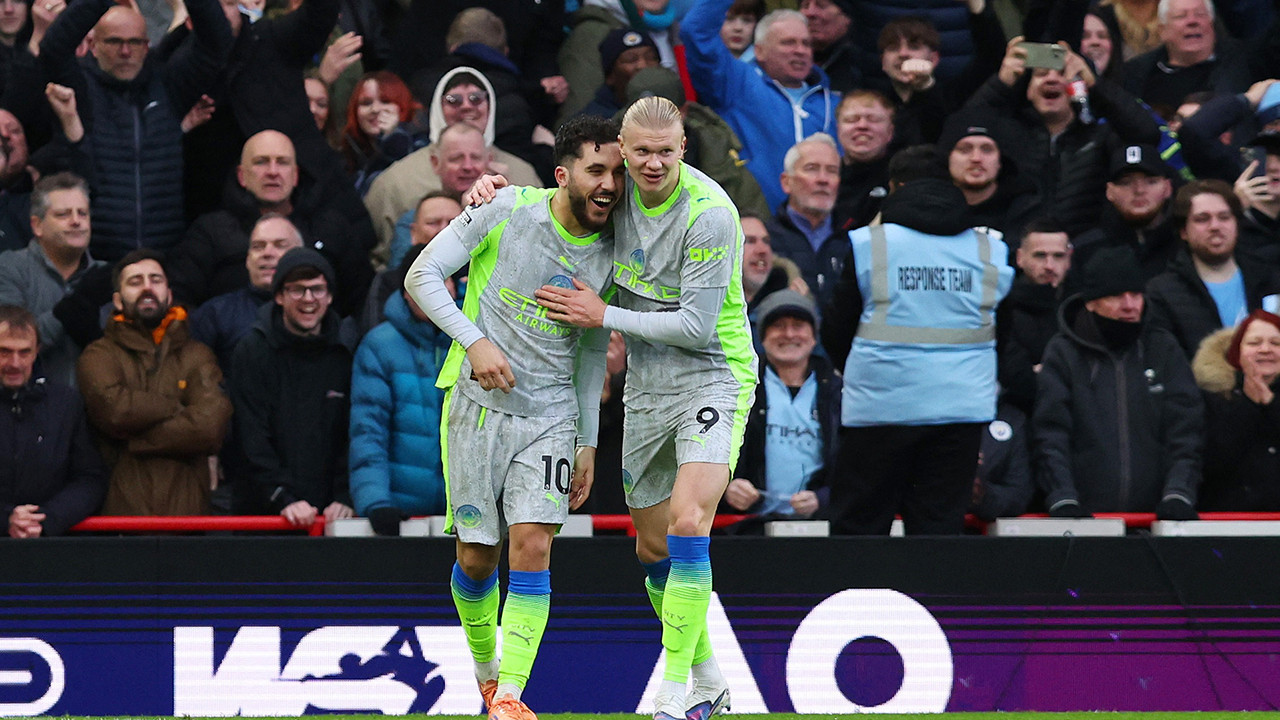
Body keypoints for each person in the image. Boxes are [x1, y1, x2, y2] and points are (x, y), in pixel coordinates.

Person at [531, 96, 755, 720]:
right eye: (642, 153)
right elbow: (545, 205)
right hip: (648, 390)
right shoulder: (614, 201)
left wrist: (605, 315)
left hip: (714, 374)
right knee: (652, 550)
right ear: (622, 152)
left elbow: (696, 324)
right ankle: (711, 681)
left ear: (683, 149)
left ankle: (672, 691)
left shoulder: (710, 214)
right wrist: (492, 192)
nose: (654, 164)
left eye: (666, 151)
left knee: (689, 524)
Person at [404, 114, 622, 720]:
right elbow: (420, 275)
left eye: (617, 172)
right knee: (477, 557)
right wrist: (473, 341)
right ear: (563, 174)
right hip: (476, 408)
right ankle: (485, 674)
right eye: (596, 169)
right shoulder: (506, 208)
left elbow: (589, 350)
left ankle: (511, 696)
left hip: (551, 415)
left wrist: (586, 440)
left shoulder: (615, 249)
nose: (609, 183)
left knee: (532, 544)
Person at [821, 145, 1013, 536]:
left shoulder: (871, 243)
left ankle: (856, 599)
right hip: (959, 411)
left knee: (860, 530)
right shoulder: (989, 248)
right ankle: (930, 600)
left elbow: (836, 329)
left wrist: (863, 369)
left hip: (879, 407)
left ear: (895, 187)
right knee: (937, 533)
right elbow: (1003, 332)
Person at [38, 0, 232, 263]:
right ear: (93, 45)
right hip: (96, 258)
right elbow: (53, 49)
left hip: (163, 258)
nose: (126, 52)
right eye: (114, 42)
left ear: (147, 45)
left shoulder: (168, 85)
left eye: (136, 42)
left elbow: (216, 44)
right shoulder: (80, 87)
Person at [1033, 245, 1203, 518]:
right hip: (1082, 521)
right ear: (1091, 302)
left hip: (1158, 520)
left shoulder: (1162, 348)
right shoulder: (1064, 352)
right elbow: (1051, 433)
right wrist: (1062, 497)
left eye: (1136, 295)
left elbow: (1185, 430)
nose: (1129, 305)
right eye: (1116, 296)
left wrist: (1178, 494)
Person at [77, 249, 232, 515]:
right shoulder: (98, 354)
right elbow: (116, 411)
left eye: (156, 280)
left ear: (169, 294)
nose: (147, 287)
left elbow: (210, 427)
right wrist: (178, 408)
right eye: (135, 282)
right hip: (121, 515)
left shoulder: (197, 354)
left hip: (190, 517)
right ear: (117, 299)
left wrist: (136, 440)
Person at [169, 130, 373, 317]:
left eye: (282, 162)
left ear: (295, 176)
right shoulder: (211, 232)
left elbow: (362, 298)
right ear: (242, 176)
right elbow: (179, 297)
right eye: (261, 162)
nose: (273, 171)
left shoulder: (331, 228)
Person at [228, 247, 355, 525]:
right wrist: (282, 496)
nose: (308, 299)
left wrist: (345, 494)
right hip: (265, 513)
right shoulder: (252, 350)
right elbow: (249, 435)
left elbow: (356, 431)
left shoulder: (347, 350)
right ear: (279, 296)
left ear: (330, 295)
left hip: (333, 514)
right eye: (297, 290)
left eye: (317, 289)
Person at [680, 2, 837, 212]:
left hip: (821, 229)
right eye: (788, 43)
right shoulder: (737, 83)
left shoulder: (832, 103)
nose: (800, 51)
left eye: (806, 44)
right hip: (755, 225)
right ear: (760, 51)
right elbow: (696, 30)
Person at [349, 246, 452, 536]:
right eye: (422, 280)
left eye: (442, 278)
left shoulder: (474, 340)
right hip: (400, 517)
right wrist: (375, 501)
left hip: (466, 515)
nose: (433, 289)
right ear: (406, 291)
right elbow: (368, 431)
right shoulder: (379, 345)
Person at [724, 290, 838, 528]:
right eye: (778, 326)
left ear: (814, 336)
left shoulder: (839, 391)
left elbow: (855, 466)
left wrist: (823, 498)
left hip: (821, 527)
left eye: (798, 325)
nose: (788, 334)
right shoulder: (737, 387)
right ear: (763, 337)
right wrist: (727, 487)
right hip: (750, 527)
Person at [0, 304, 107, 537]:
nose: (15, 363)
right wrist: (5, 518)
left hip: (51, 549)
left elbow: (89, 479)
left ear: (37, 350)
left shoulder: (66, 404)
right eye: (4, 351)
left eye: (24, 352)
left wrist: (46, 519)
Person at [1146, 179, 1280, 359]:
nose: (1215, 226)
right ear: (1183, 231)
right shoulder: (1161, 293)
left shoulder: (1270, 278)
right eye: (1202, 219)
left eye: (1224, 217)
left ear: (1236, 224)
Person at [0, 172, 106, 386]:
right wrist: (72, 307)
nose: (76, 221)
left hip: (95, 412)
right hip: (27, 409)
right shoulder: (10, 267)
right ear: (37, 225)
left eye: (82, 214)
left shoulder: (107, 277)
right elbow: (14, 342)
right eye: (63, 214)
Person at [188, 214, 304, 375]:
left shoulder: (319, 312)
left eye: (280, 245)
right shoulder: (214, 315)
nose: (267, 253)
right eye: (258, 246)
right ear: (247, 260)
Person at [1193, 310, 1280, 510]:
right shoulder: (1212, 398)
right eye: (1254, 343)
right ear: (1236, 352)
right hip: (1226, 522)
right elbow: (1210, 461)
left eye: (1275, 343)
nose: (1265, 349)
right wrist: (1248, 404)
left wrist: (1271, 403)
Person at [997, 219, 1073, 414]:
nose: (1049, 265)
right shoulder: (1005, 310)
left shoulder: (1082, 308)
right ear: (1020, 258)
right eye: (1040, 256)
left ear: (1069, 259)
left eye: (1058, 256)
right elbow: (1017, 380)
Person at [766, 133, 849, 310]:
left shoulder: (853, 239)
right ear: (786, 182)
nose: (823, 179)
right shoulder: (765, 240)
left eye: (832, 171)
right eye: (812, 168)